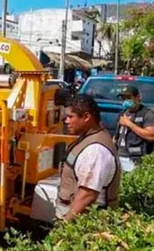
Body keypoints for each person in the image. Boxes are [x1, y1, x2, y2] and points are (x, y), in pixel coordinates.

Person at [56, 94, 121, 222]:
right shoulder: (89, 137)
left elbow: (87, 195)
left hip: (83, 224)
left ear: (86, 117)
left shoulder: (96, 151)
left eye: (70, 117)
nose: (66, 121)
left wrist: (65, 226)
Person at [113, 85, 154, 172]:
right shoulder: (123, 113)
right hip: (119, 157)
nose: (126, 100)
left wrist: (130, 124)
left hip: (135, 159)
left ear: (137, 97)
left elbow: (151, 135)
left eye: (128, 97)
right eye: (123, 98)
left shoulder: (146, 113)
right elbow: (116, 136)